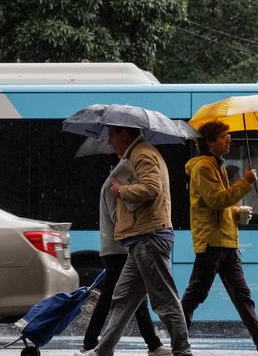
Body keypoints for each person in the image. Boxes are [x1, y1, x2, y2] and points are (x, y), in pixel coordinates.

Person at [182, 121, 258, 356]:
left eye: (229, 136)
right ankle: (177, 340)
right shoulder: (203, 167)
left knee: (243, 297)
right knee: (196, 295)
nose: (229, 140)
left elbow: (219, 205)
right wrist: (245, 183)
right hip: (211, 243)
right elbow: (216, 200)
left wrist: (235, 212)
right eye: (224, 136)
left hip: (226, 242)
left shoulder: (217, 165)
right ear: (210, 142)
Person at [83, 126, 192, 356]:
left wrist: (122, 190)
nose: (110, 142)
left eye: (112, 136)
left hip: (150, 237)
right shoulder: (136, 154)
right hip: (140, 239)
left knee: (164, 300)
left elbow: (152, 188)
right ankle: (103, 350)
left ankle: (182, 350)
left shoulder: (142, 154)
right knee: (122, 298)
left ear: (125, 134)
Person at [76, 154, 171, 356]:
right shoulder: (112, 188)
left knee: (133, 298)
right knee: (120, 298)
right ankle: (91, 342)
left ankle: (150, 344)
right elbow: (118, 217)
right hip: (118, 249)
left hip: (119, 248)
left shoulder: (114, 185)